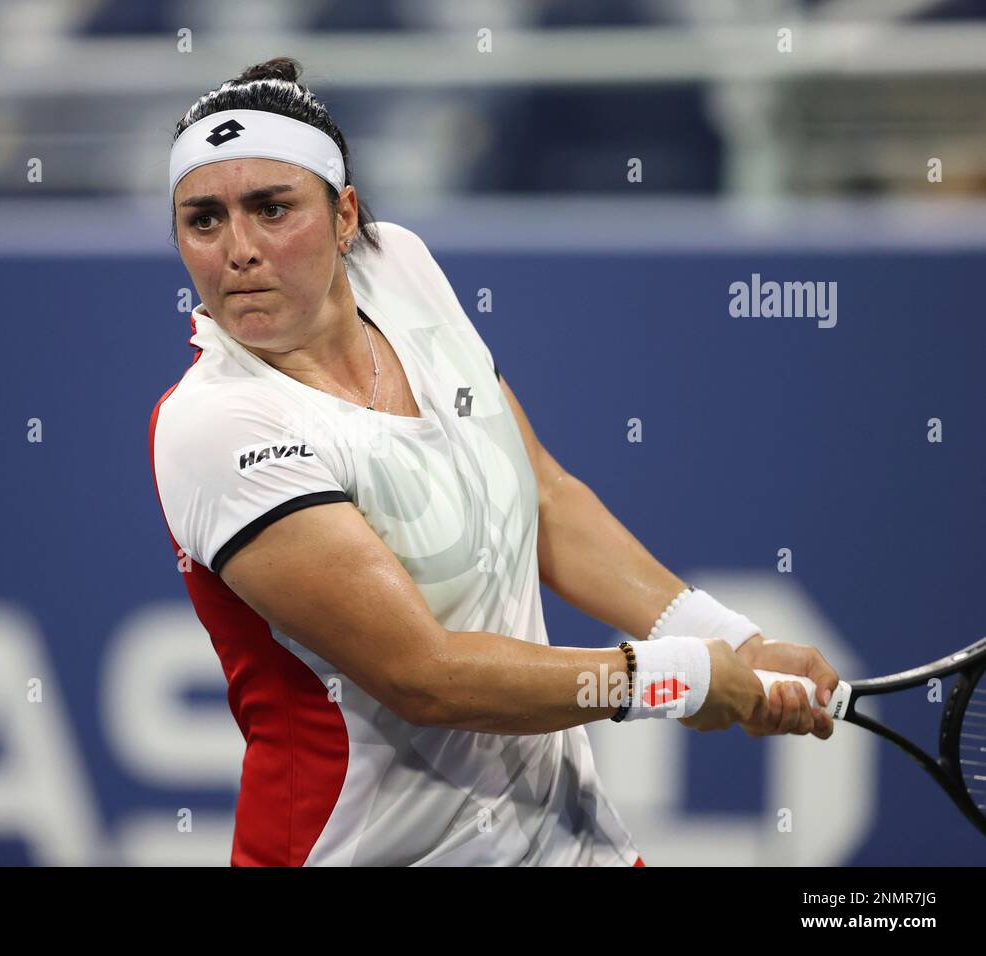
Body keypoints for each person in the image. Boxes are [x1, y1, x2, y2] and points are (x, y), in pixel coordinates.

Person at [149, 57, 838, 867]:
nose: (239, 250)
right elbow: (426, 678)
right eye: (204, 220)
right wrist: (673, 678)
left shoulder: (398, 267)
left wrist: (724, 637)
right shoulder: (214, 425)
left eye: (273, 209)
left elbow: (541, 493)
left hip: (569, 843)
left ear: (345, 218)